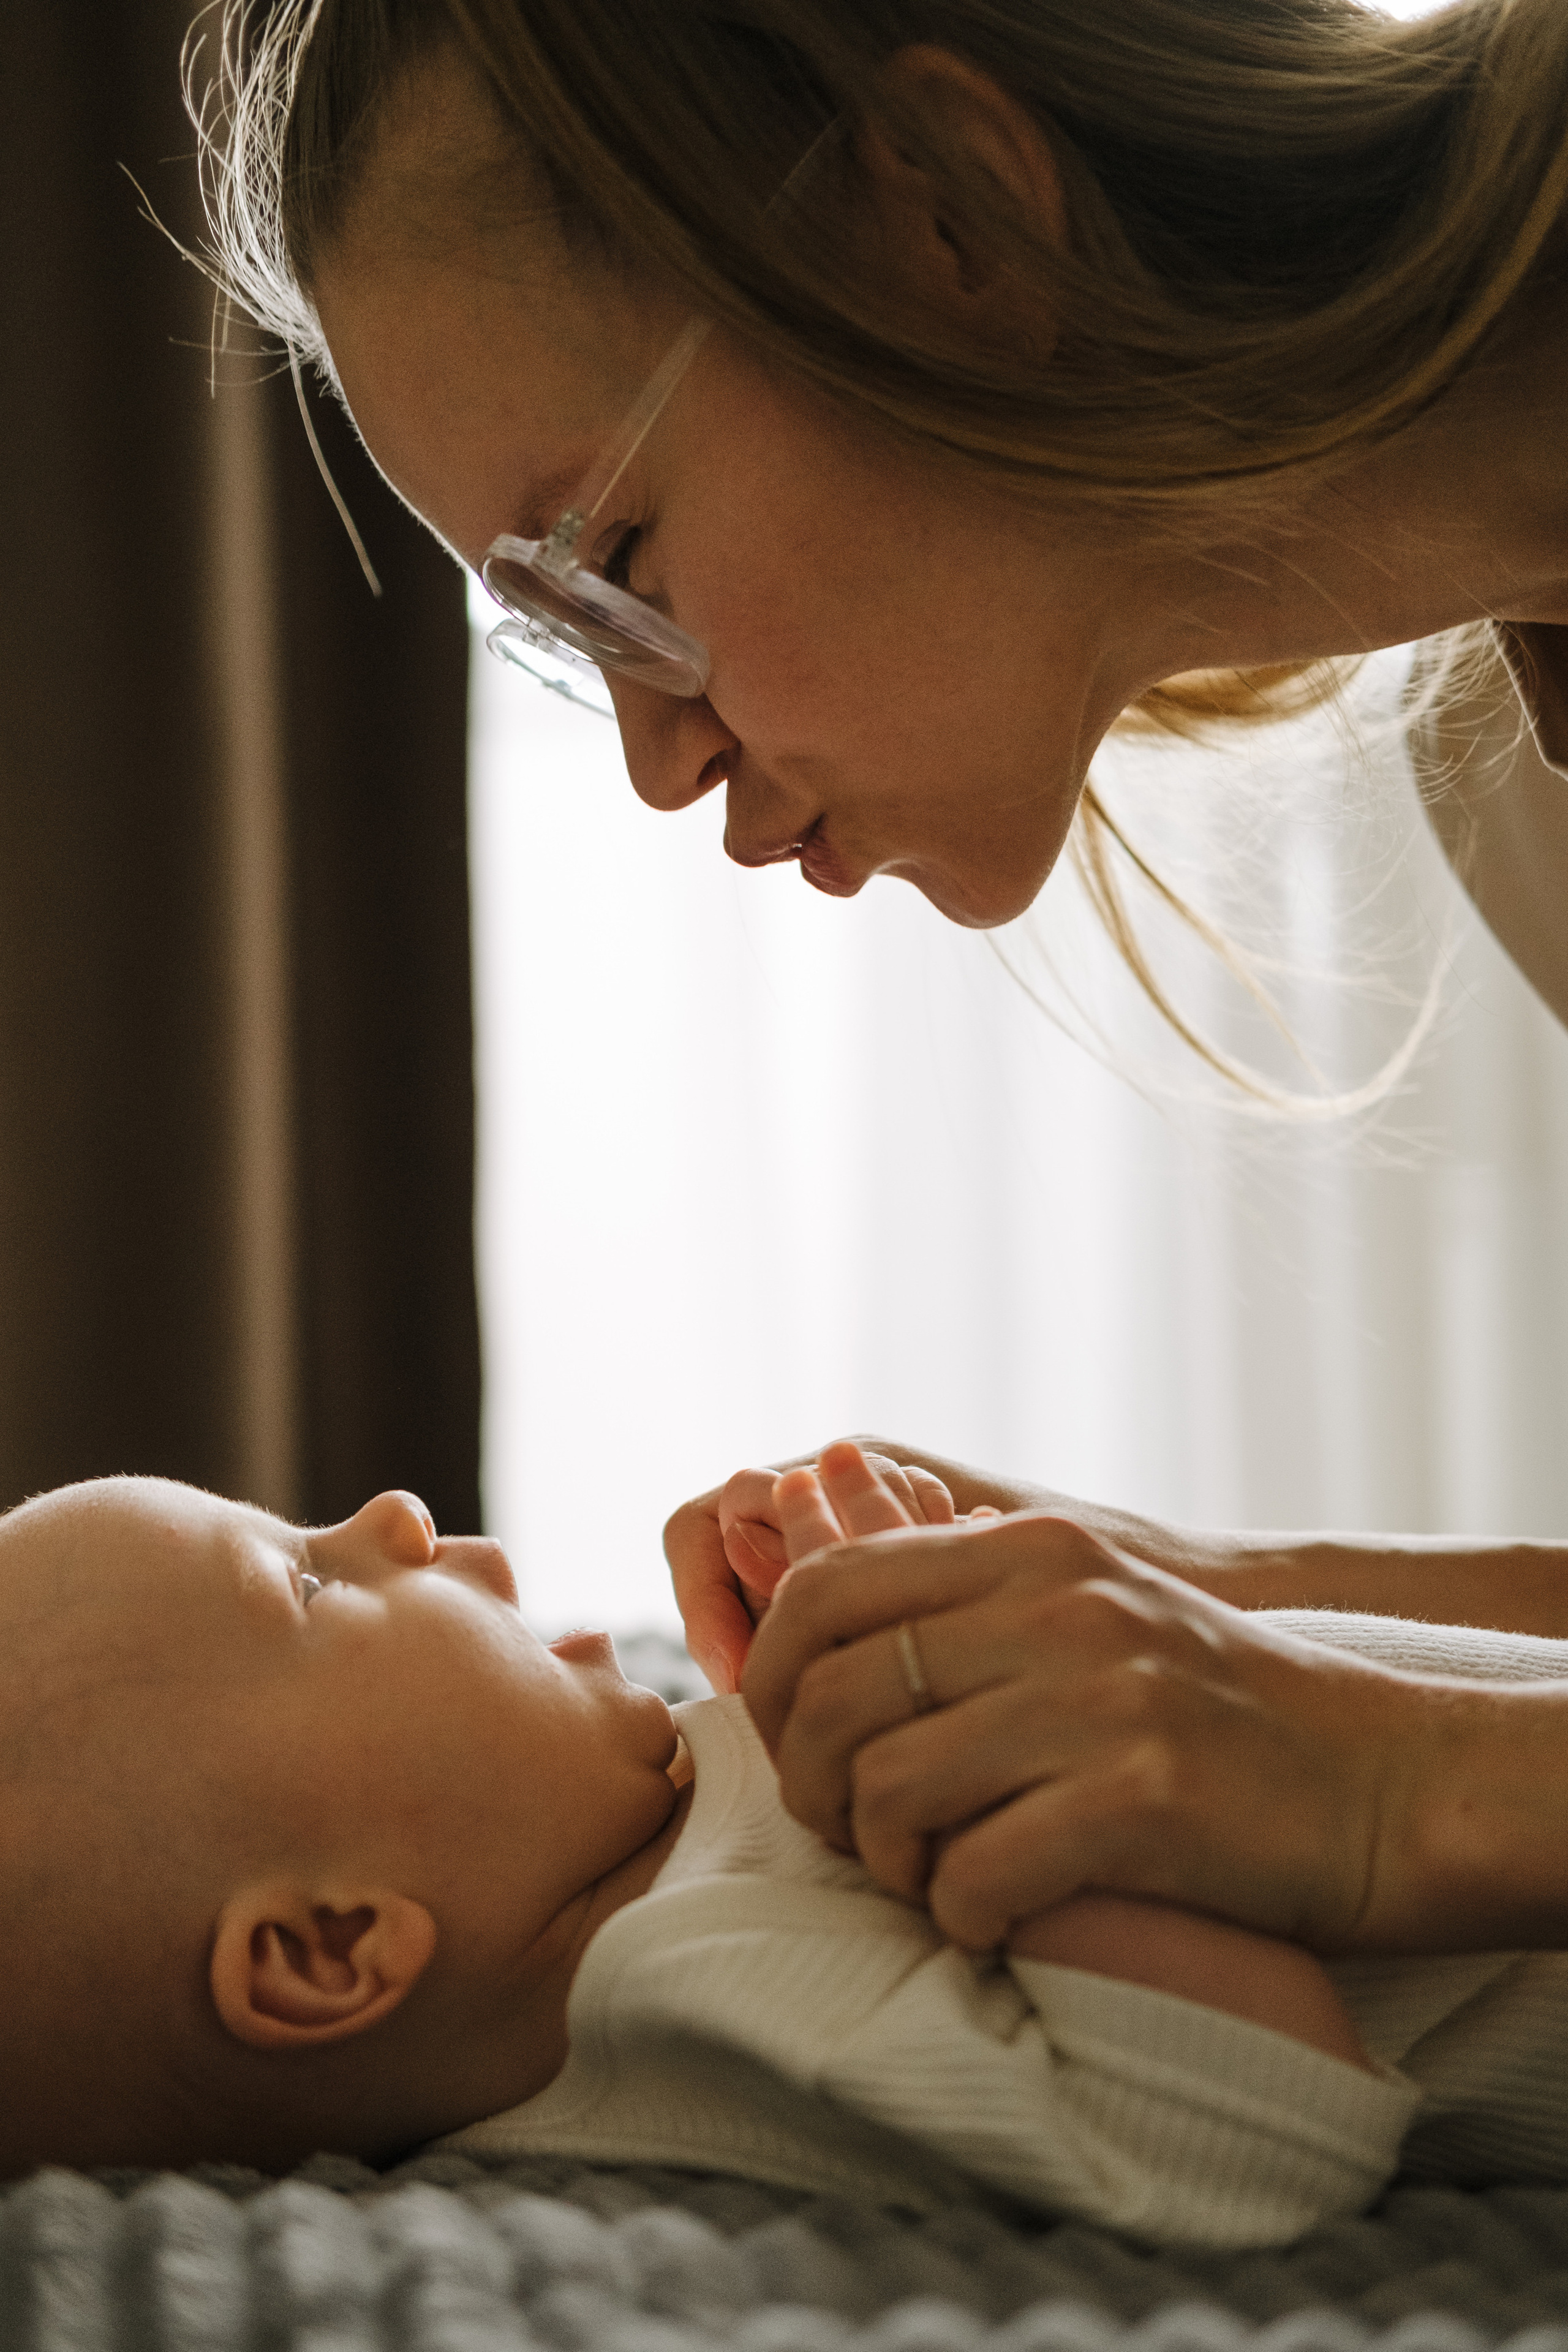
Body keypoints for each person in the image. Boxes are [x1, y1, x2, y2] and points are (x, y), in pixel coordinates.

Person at [190, 0, 1568, 1957]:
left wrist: (1390, 1785)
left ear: (954, 230)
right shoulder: (1519, 783)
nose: (661, 769)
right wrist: (1178, 1592)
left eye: (610, 576)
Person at [5, 1452, 1568, 2238]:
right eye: (310, 1585)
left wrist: (899, 1626)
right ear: (335, 1948)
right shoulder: (697, 1990)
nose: (395, 1519)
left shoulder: (658, 1851)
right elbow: (1236, 2138)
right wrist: (966, 1757)